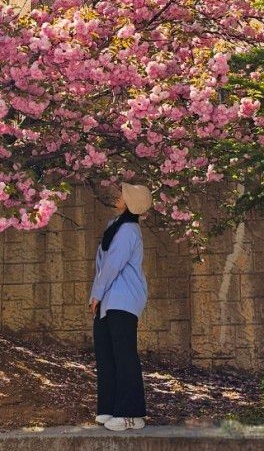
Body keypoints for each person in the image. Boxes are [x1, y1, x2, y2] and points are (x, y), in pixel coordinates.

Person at [88, 181, 152, 431]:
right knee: (106, 354)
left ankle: (131, 414)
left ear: (128, 203)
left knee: (124, 355)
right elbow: (104, 265)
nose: (118, 196)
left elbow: (113, 264)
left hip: (122, 299)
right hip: (108, 299)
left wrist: (96, 294)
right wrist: (99, 295)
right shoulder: (115, 227)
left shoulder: (128, 231)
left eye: (123, 195)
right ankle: (109, 408)